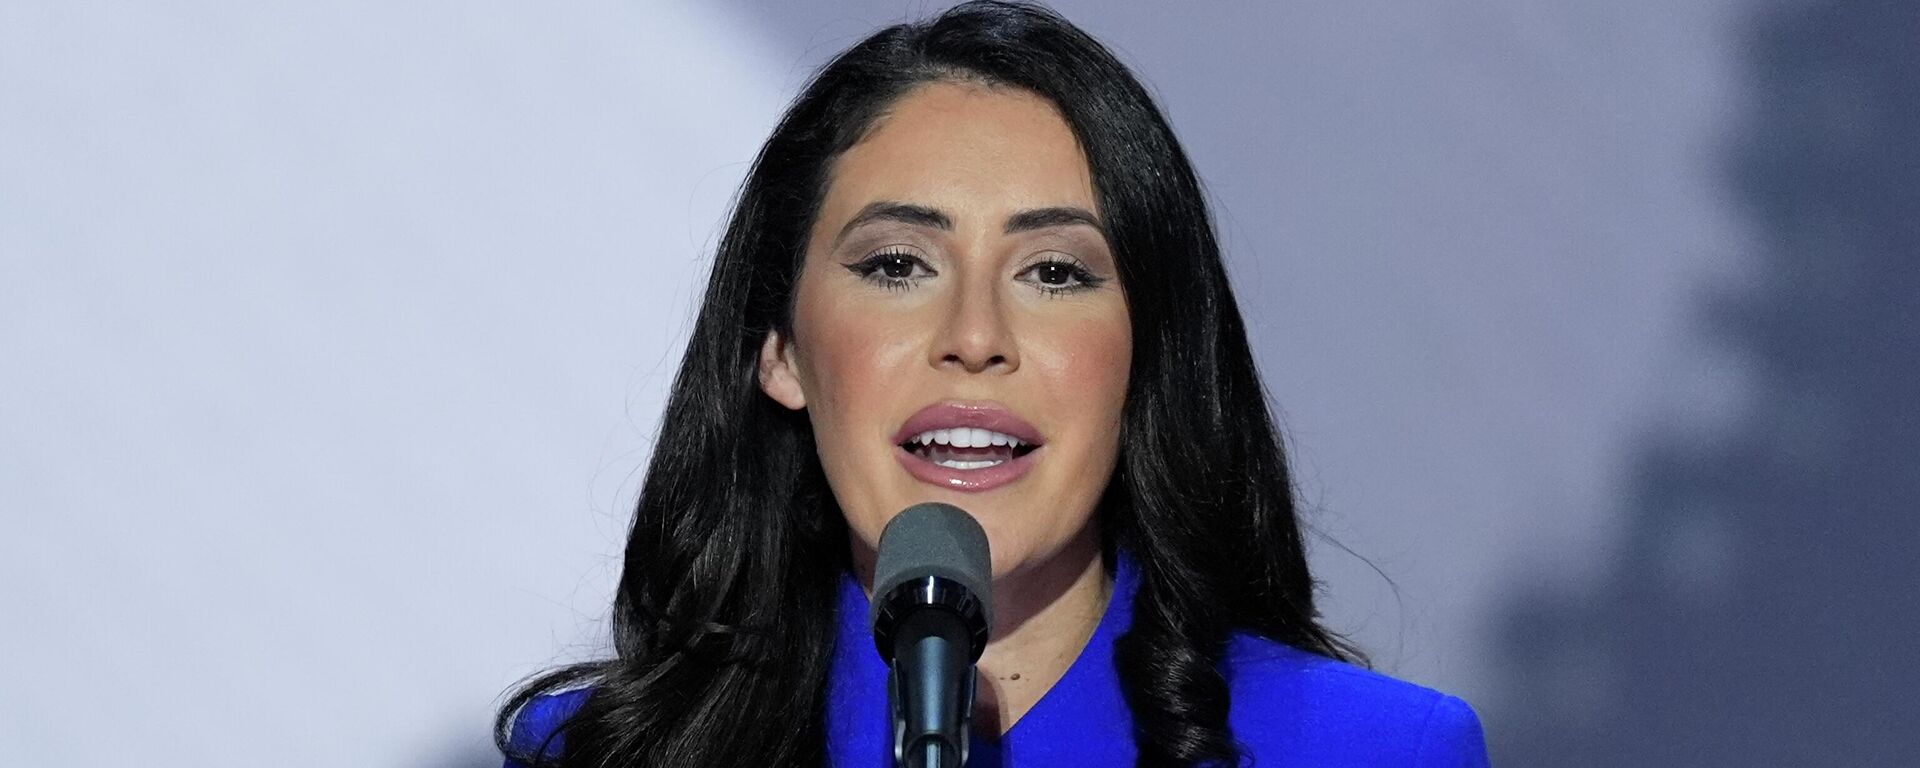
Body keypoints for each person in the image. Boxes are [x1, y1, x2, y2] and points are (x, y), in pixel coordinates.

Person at [496, 2, 1488, 766]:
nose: (975, 338)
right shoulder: (604, 752)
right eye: (896, 266)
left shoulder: (1371, 751)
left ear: (1148, 357)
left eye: (1054, 273)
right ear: (782, 350)